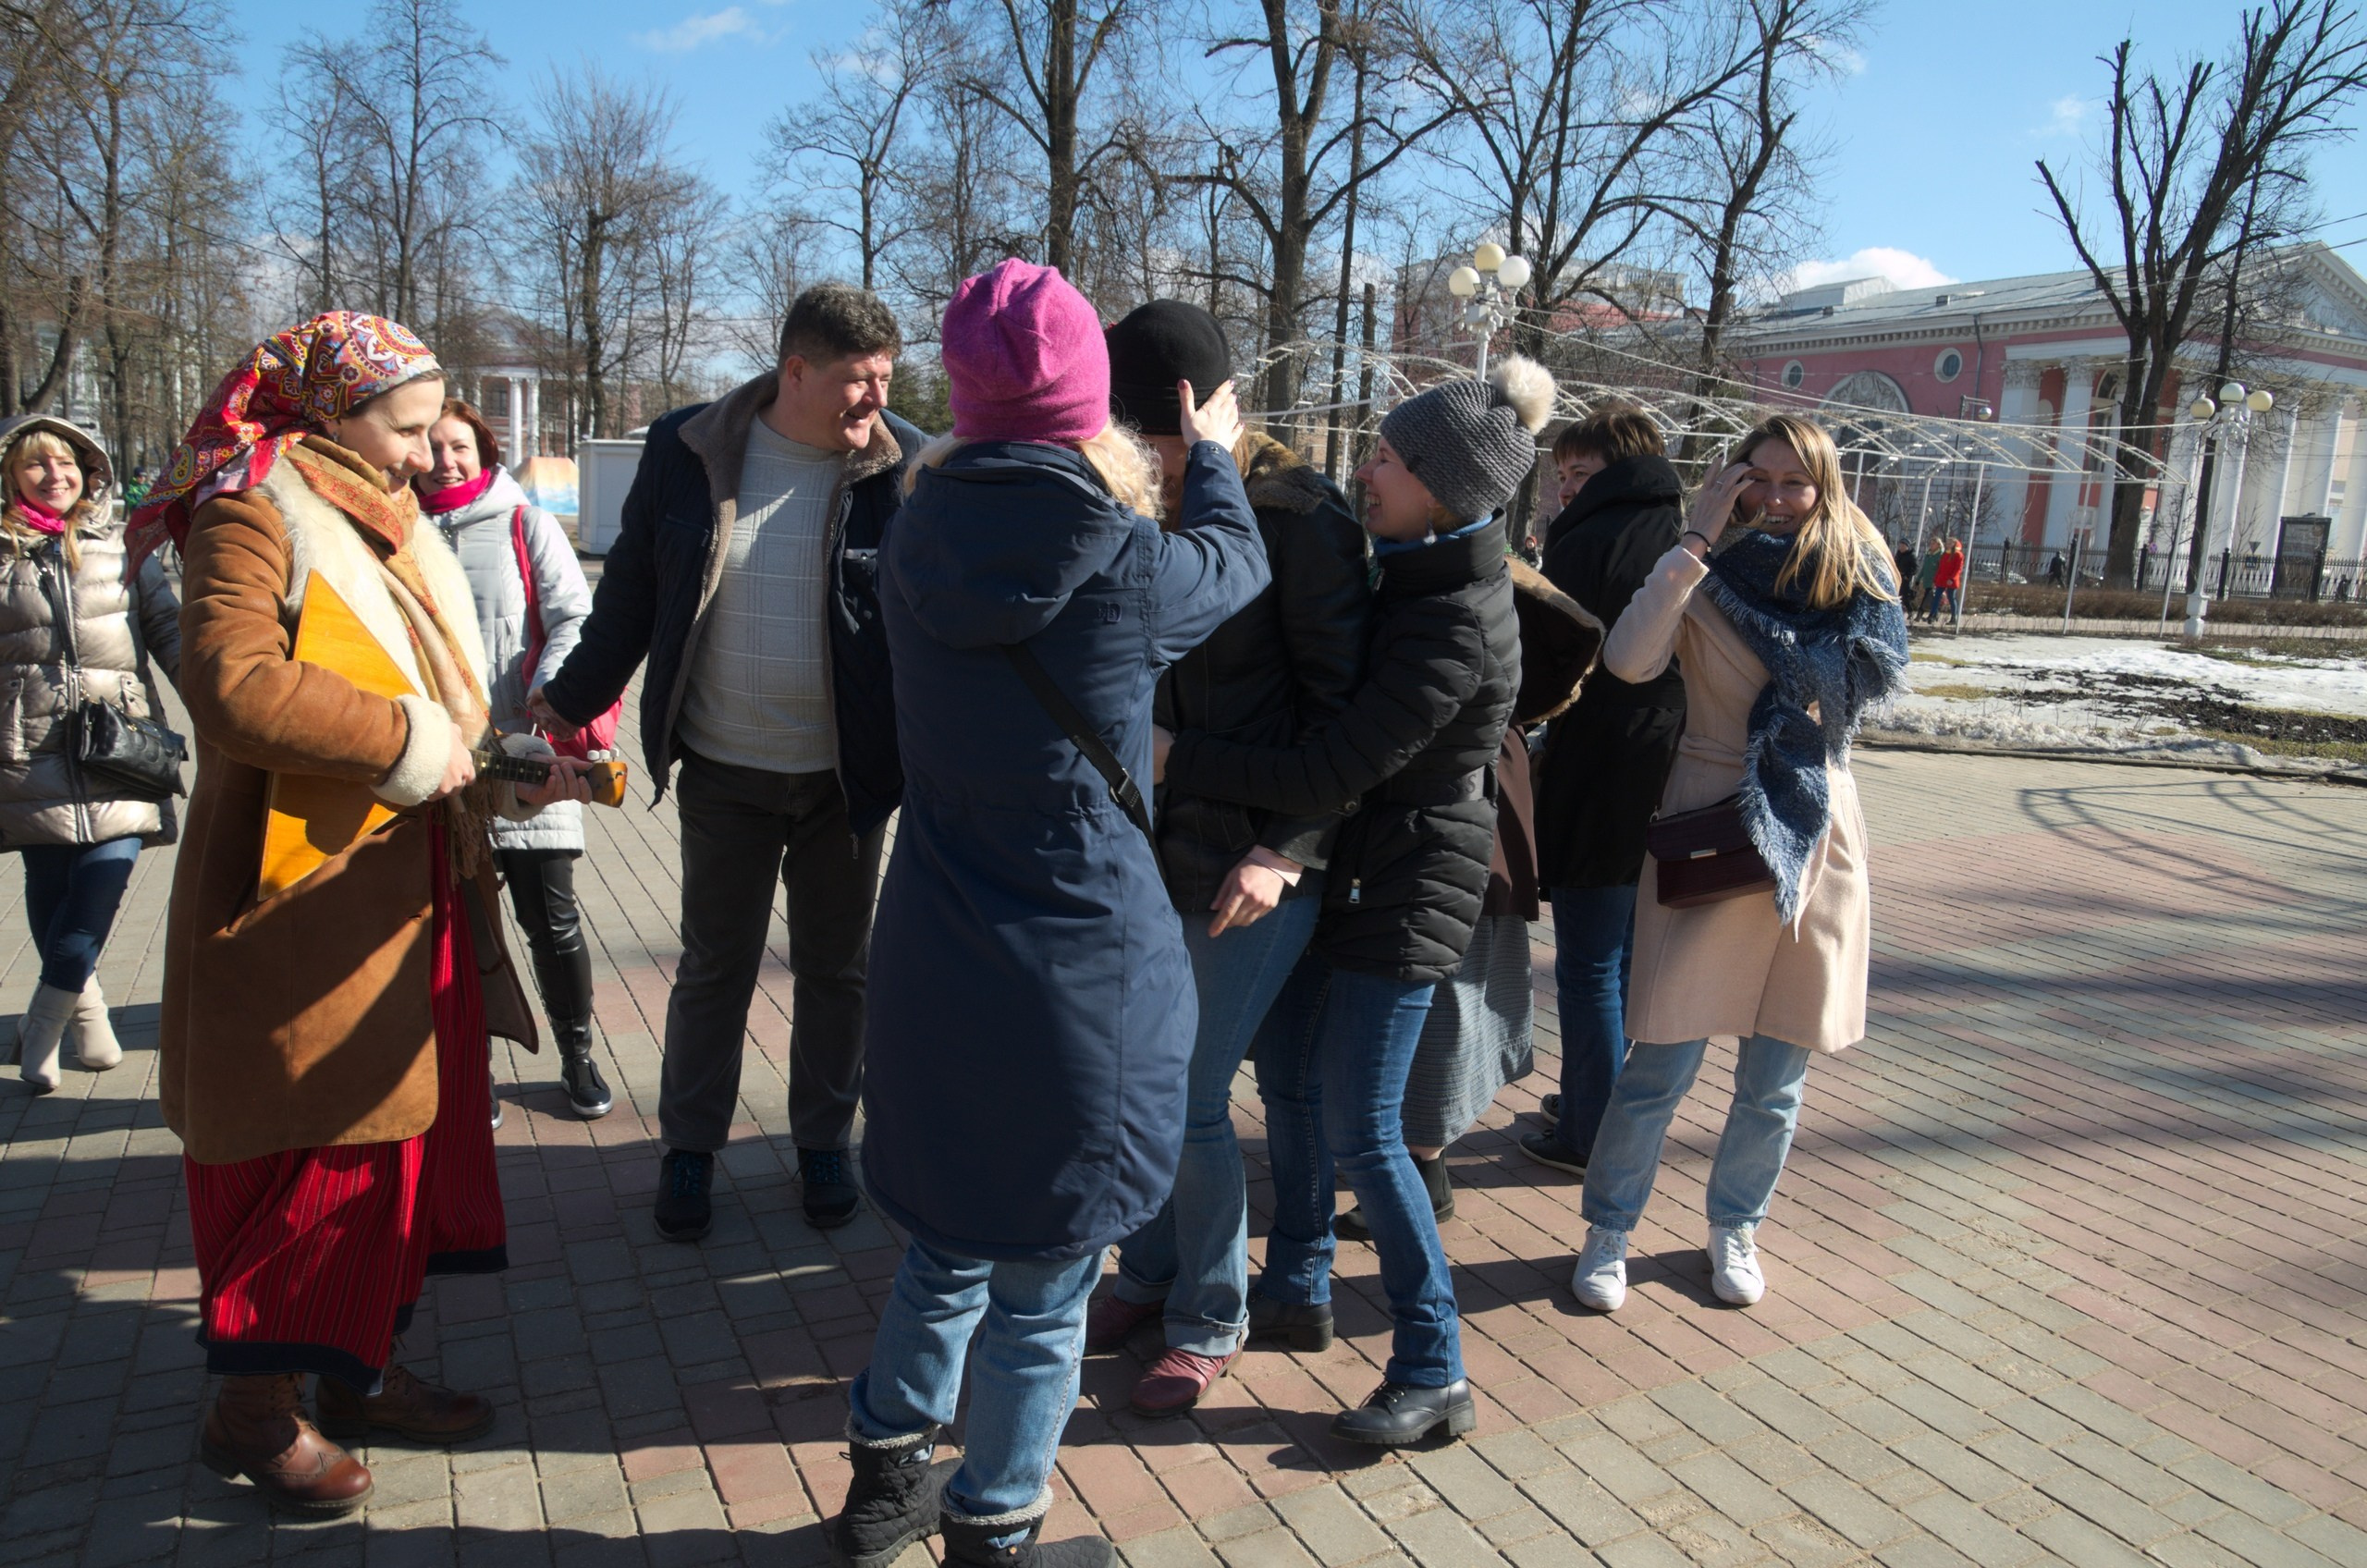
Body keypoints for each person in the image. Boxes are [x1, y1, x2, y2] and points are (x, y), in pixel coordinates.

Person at [833, 259, 1268, 1568]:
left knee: (944, 1244)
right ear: (1097, 407)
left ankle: (885, 1479)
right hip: (1078, 964)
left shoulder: (910, 532)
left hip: (934, 939)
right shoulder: (1129, 562)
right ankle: (996, 1521)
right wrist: (1222, 454)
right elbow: (1237, 562)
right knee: (1044, 1283)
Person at [136, 312, 591, 1513]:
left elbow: (430, 701)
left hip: (407, 898)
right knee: (310, 1164)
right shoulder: (255, 508)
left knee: (398, 1158)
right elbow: (232, 684)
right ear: (329, 414)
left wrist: (507, 765)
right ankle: (252, 1411)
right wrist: (411, 745)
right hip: (298, 909)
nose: (428, 446)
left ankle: (355, 1372)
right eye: (403, 425)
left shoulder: (377, 513)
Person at [1154, 357, 1550, 1445]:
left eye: (1385, 456)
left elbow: (1338, 765)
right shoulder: (1420, 574)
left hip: (1407, 884)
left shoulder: (1454, 617)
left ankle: (1434, 1368)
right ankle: (1301, 1284)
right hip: (1364, 872)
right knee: (1289, 1080)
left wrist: (1181, 754)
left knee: (1370, 1133)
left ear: (1443, 482)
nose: (1364, 470)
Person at [534, 284, 921, 1239]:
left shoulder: (903, 466)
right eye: (853, 381)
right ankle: (691, 1151)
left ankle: (825, 1139)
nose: (873, 400)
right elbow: (629, 593)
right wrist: (566, 705)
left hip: (845, 779)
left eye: (884, 378)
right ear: (793, 371)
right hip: (723, 770)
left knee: (839, 969)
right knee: (717, 965)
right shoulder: (689, 447)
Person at [1082, 300, 1371, 1418]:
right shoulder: (1126, 500)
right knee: (1141, 1082)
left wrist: (1284, 849)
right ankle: (1151, 1272)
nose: (1141, 461)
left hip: (1255, 860)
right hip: (1156, 849)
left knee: (1191, 1093)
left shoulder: (1300, 517)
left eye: (1157, 438)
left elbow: (1346, 715)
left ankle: (1209, 1313)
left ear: (1206, 414)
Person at [1569, 412, 1906, 1315]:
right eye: (1757, 475)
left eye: (1797, 481)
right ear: (1729, 478)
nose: (1777, 495)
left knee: (1774, 1079)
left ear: (1824, 488)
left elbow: (1871, 685)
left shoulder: (1858, 578)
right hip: (1713, 818)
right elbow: (1629, 660)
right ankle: (1608, 1230)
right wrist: (1692, 538)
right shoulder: (1705, 573)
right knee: (1659, 1063)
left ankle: (1734, 1227)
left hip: (1817, 830)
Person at [1336, 560, 1600, 1239]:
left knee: (1452, 993)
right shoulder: (1426, 572)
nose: (1371, 472)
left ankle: (1424, 1163)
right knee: (1438, 990)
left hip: (1469, 809)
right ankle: (1415, 1151)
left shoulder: (1480, 575)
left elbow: (1575, 634)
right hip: (1446, 808)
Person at [416, 399, 610, 1121]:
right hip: (440, 764)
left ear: (485, 450)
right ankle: (477, 1064)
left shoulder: (523, 522)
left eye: (459, 446)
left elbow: (573, 617)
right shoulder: (391, 529)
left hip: (525, 753)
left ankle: (578, 1055)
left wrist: (547, 695)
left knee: (550, 917)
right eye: (431, 446)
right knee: (460, 925)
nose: (444, 460)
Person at [1521, 405, 1687, 1178]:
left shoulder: (1590, 538)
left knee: (1588, 959)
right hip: (1664, 761)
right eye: (1561, 474)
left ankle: (1588, 1129)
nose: (1566, 487)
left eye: (1579, 472)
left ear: (1616, 469)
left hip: (1599, 765)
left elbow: (1548, 653)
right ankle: (1599, 1100)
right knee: (1619, 952)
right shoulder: (1685, 532)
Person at [0, 415, 180, 1092]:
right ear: (12, 476)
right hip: (30, 747)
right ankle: (87, 1014)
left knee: (100, 884)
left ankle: (41, 1025)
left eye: (67, 463)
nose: (55, 476)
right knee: (48, 888)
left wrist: (222, 704)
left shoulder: (123, 544)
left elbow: (165, 627)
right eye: (36, 465)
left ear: (90, 470)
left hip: (119, 744)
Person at [1924, 535, 1965, 622]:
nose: (1948, 544)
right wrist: (1936, 579)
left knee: (1951, 598)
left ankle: (1954, 617)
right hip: (1942, 579)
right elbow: (1940, 568)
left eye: (1950, 543)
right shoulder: (1945, 554)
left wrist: (1952, 579)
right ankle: (1932, 615)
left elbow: (1958, 569)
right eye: (1947, 543)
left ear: (1954, 544)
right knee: (1937, 597)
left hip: (1951, 581)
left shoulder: (1958, 555)